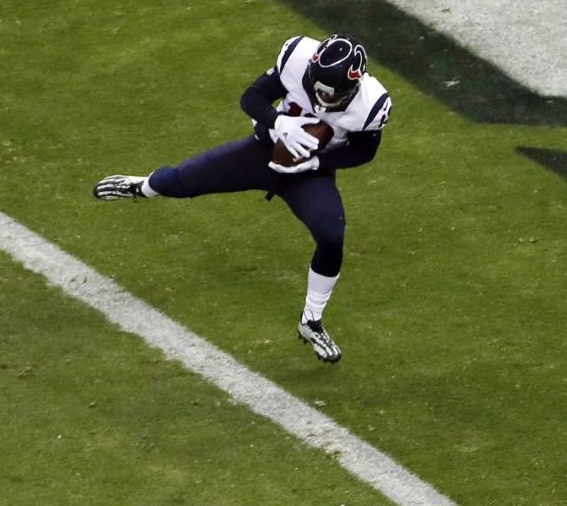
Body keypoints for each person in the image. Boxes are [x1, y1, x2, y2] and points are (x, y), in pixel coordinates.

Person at [94, 34, 391, 363]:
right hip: (262, 151)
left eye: (329, 92)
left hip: (308, 175)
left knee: (331, 234)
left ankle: (312, 321)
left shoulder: (371, 104)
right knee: (178, 181)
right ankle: (141, 187)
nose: (320, 96)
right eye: (316, 85)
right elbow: (252, 98)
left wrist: (318, 162)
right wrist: (280, 122)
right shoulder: (297, 57)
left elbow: (364, 150)